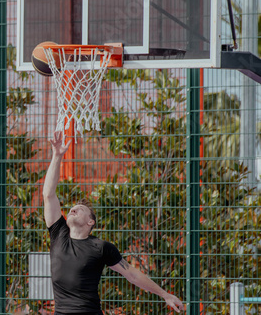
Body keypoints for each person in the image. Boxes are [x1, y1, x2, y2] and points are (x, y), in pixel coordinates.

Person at [43, 131, 184, 315]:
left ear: (90, 222)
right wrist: (57, 155)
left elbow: (132, 274)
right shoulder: (58, 234)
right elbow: (48, 194)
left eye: (80, 209)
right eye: (71, 209)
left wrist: (164, 294)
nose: (73, 209)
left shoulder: (100, 247)